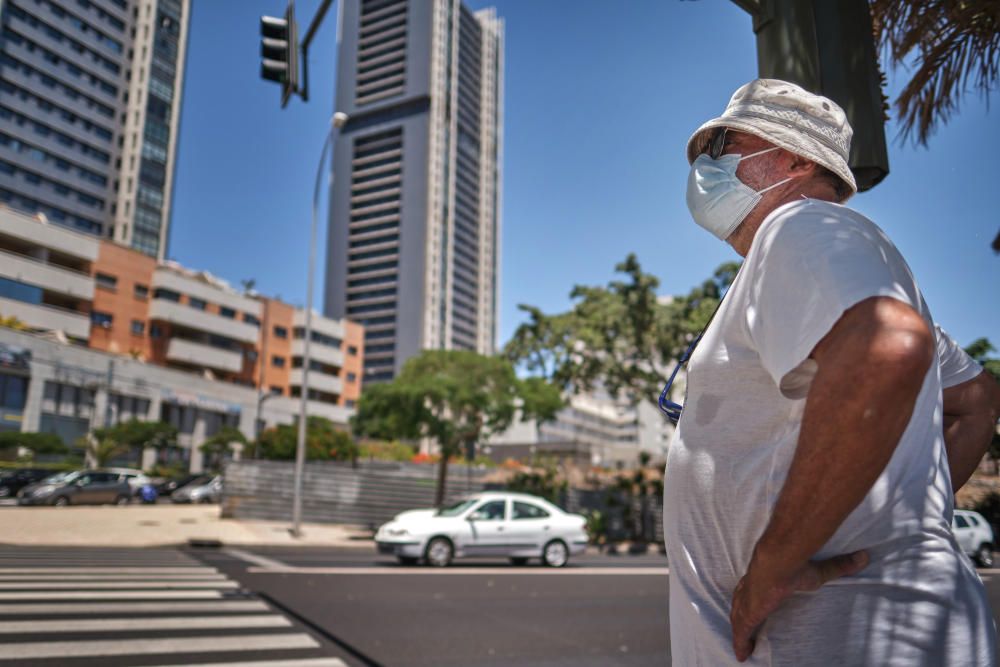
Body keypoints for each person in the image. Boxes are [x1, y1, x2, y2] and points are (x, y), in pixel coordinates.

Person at [662, 78, 1000, 665]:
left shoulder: (799, 226)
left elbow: (886, 349)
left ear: (792, 158)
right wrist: (891, 515)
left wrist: (774, 565)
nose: (704, 166)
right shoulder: (819, 257)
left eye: (722, 145)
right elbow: (974, 398)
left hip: (834, 639)